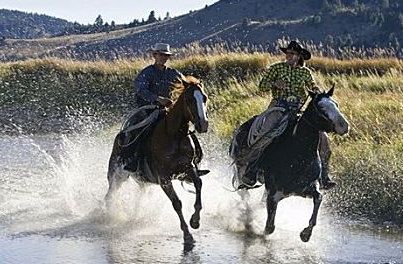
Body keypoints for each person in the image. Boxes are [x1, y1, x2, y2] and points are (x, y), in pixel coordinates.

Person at [231, 40, 335, 189]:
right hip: (278, 108)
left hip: (298, 111)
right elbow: (261, 86)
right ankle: (252, 167)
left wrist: (316, 90)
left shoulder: (305, 72)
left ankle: (324, 176)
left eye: (292, 54)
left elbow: (312, 85)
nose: (289, 56)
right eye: (288, 53)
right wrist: (274, 84)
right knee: (267, 132)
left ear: (299, 56)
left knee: (323, 139)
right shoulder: (276, 68)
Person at [121, 43, 207, 177]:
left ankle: (193, 165)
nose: (163, 57)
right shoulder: (147, 73)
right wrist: (157, 99)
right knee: (139, 130)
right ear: (154, 55)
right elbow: (140, 90)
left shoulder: (174, 73)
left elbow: (186, 88)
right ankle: (133, 161)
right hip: (147, 110)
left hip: (168, 111)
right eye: (161, 55)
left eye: (165, 55)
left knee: (189, 133)